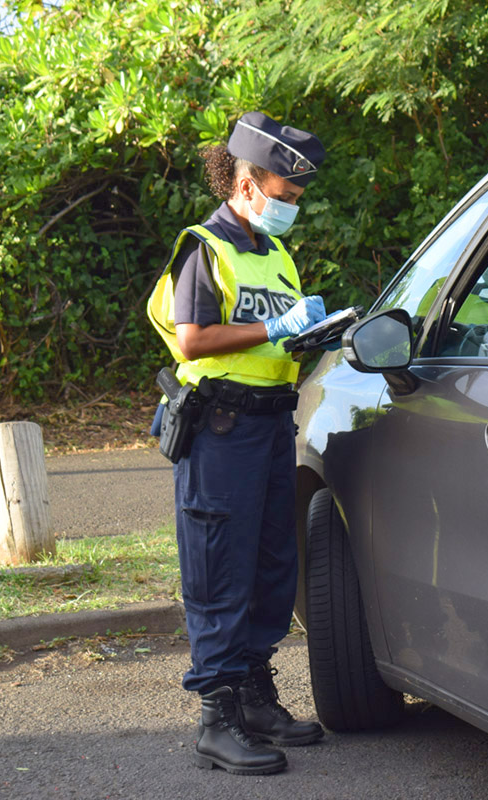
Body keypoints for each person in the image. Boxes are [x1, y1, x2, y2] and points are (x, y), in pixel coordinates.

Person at [146, 111, 328, 776]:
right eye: (285, 196)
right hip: (220, 432)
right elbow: (194, 338)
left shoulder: (274, 254)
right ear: (247, 183)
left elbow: (275, 340)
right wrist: (275, 330)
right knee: (221, 568)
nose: (292, 209)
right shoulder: (203, 245)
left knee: (271, 564)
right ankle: (216, 719)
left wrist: (307, 338)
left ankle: (255, 695)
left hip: (271, 425)